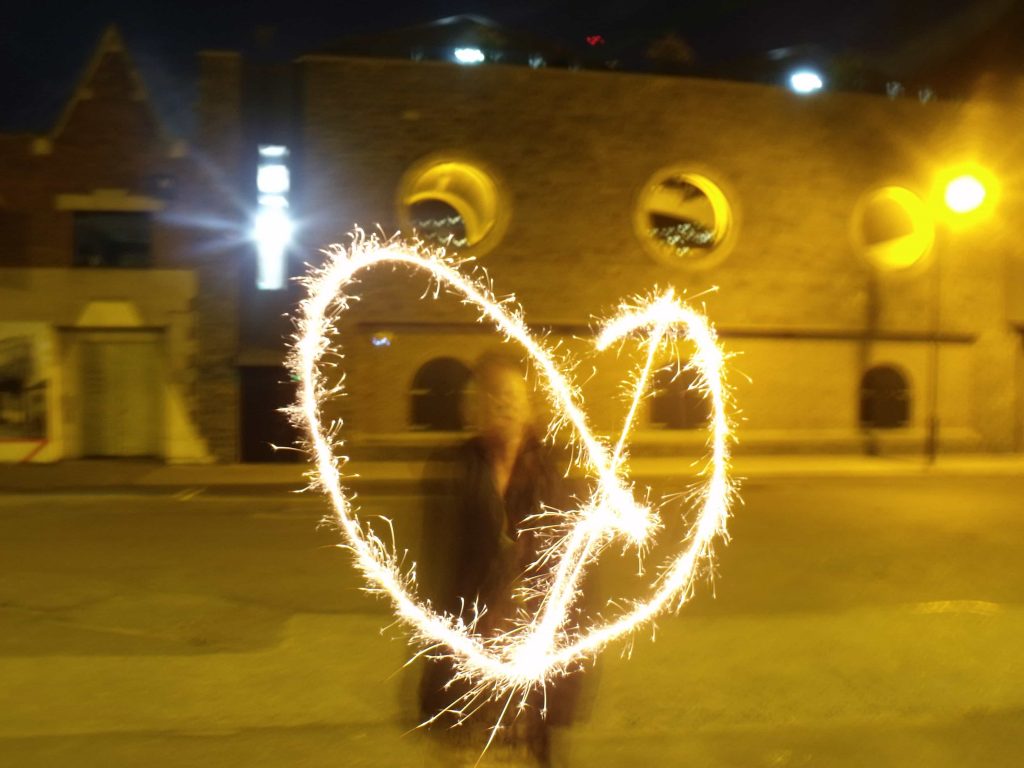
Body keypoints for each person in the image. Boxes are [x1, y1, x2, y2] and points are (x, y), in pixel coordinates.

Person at [418, 350, 582, 766]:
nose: (502, 403)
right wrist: (435, 672)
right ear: (471, 406)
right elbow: (439, 574)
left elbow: (577, 571)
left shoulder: (554, 471)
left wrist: (567, 678)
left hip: (535, 658)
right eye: (491, 394)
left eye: (511, 394)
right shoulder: (455, 469)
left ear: (530, 405)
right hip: (472, 656)